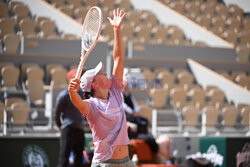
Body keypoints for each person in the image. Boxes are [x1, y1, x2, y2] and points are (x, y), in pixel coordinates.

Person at [68, 8, 135, 167]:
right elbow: (78, 102)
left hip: (126, 162)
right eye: (100, 73)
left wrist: (116, 30)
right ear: (95, 84)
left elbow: (118, 58)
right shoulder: (91, 106)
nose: (105, 73)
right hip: (104, 164)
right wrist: (72, 91)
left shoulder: (116, 92)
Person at [55, 69, 85, 167]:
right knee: (64, 158)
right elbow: (57, 113)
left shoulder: (82, 94)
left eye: (78, 79)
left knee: (79, 159)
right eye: (74, 78)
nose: (77, 81)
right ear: (69, 80)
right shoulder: (64, 95)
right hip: (68, 130)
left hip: (80, 130)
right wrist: (60, 126)